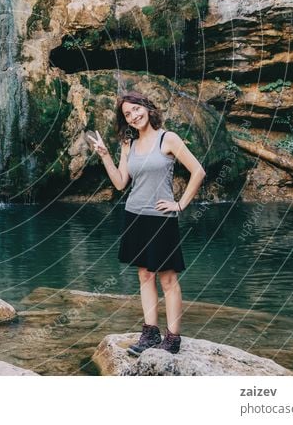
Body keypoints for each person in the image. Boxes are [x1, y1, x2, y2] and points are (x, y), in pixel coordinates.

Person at [86, 92, 205, 355]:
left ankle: (172, 338)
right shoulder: (128, 144)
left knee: (169, 279)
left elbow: (198, 171)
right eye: (128, 114)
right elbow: (120, 183)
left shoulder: (168, 138)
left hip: (161, 218)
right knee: (144, 275)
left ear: (148, 108)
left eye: (136, 109)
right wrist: (105, 155)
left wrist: (180, 204)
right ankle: (150, 333)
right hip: (134, 215)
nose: (134, 116)